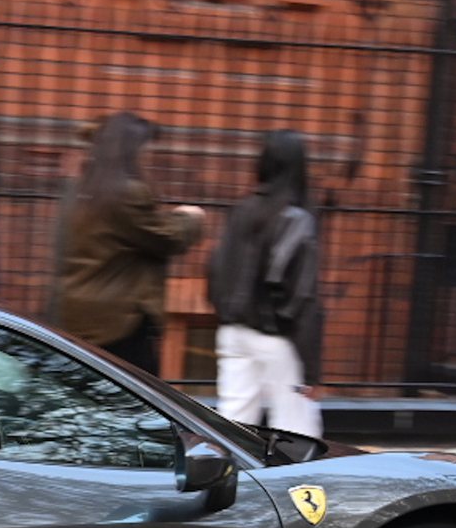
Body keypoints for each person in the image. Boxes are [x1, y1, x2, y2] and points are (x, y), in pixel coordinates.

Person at [50, 111, 205, 374]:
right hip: (118, 322)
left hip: (78, 315)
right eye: (146, 150)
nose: (149, 158)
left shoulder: (78, 189)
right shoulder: (126, 193)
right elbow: (166, 238)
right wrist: (190, 218)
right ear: (131, 151)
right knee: (140, 403)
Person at [207, 129, 324, 438]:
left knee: (234, 423)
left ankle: (228, 482)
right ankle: (299, 487)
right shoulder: (297, 219)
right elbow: (302, 296)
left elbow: (216, 267)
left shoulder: (241, 210)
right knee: (296, 430)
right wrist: (312, 370)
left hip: (233, 332)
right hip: (279, 338)